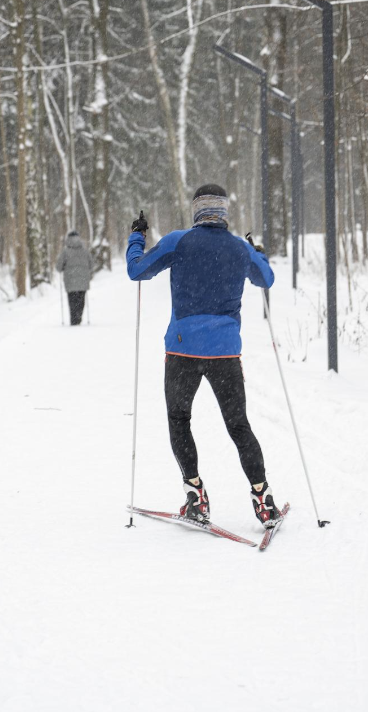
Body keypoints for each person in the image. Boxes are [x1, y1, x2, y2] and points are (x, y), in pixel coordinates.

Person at [125, 184, 281, 528]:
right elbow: (266, 278)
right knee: (238, 425)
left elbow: (137, 270)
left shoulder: (178, 241)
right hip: (224, 352)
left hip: (182, 348)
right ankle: (263, 499)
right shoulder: (240, 247)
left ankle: (195, 495)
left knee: (179, 420)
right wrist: (258, 252)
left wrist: (137, 236)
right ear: (224, 212)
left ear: (196, 210)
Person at [55, 230, 93, 325]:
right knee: (81, 300)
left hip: (70, 281)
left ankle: (74, 320)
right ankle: (79, 317)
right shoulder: (85, 251)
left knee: (72, 301)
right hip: (83, 281)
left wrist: (64, 268)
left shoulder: (65, 251)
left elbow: (58, 267)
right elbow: (91, 264)